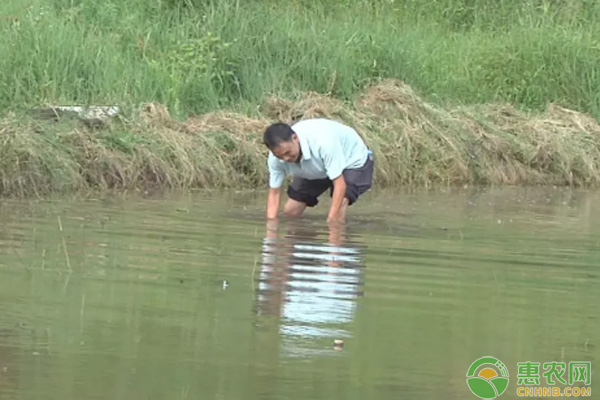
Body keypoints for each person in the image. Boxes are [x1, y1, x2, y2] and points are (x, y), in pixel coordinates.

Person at [263, 118, 374, 223]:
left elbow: (340, 185)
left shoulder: (323, 142)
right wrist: (271, 230)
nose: (286, 159)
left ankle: (338, 239)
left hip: (351, 160)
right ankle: (301, 240)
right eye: (280, 156)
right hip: (317, 165)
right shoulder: (275, 159)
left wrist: (332, 221)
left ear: (295, 138)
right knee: (291, 211)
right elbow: (275, 193)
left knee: (339, 208)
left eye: (287, 153)